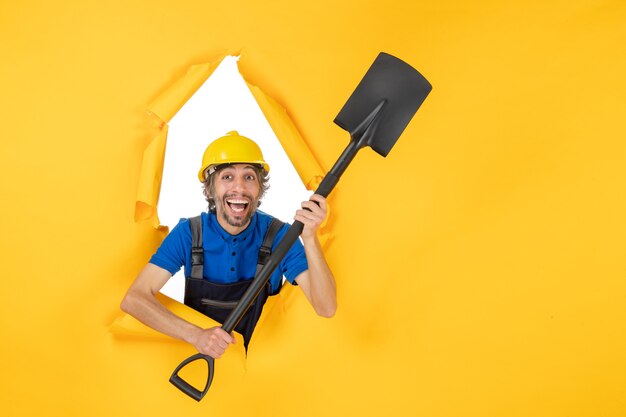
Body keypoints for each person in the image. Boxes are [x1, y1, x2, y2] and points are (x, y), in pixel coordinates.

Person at [121, 131, 336, 359]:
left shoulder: (280, 236)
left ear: (259, 188)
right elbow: (134, 299)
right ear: (210, 189)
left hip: (261, 367)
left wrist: (310, 238)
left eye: (249, 177)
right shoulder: (190, 234)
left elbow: (326, 308)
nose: (239, 188)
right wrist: (195, 336)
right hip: (204, 369)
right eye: (227, 177)